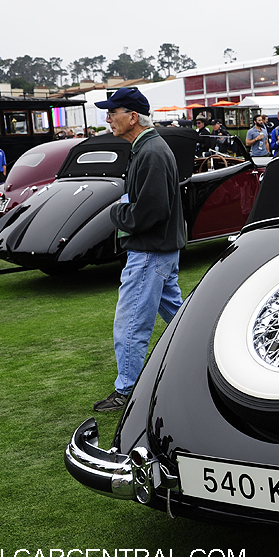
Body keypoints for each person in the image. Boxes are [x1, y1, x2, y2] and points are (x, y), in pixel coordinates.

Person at [91, 88, 185, 412]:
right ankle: (210, 358)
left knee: (130, 323)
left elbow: (149, 213)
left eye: (112, 112)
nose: (107, 118)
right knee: (180, 319)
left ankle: (127, 390)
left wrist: (117, 212)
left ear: (132, 117)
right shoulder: (148, 148)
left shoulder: (151, 152)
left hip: (149, 251)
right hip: (158, 249)